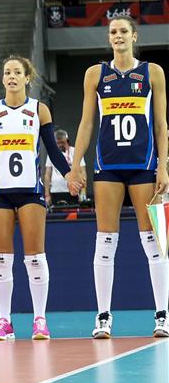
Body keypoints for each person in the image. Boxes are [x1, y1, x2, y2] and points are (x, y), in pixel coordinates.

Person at [69, 17, 169, 338]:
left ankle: (163, 315)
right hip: (108, 166)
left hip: (144, 165)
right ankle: (103, 316)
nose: (118, 36)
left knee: (153, 242)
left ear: (134, 36)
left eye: (124, 31)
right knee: (105, 240)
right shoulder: (95, 74)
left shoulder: (152, 72)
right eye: (113, 32)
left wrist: (163, 166)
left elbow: (161, 125)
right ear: (108, 38)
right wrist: (75, 164)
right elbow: (86, 123)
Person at [0, 56, 79, 341]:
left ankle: (39, 319)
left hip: (30, 192)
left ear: (27, 78)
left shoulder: (39, 110)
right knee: (1, 258)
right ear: (2, 78)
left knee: (35, 257)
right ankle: (4, 321)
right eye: (7, 72)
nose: (12, 76)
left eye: (17, 72)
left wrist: (68, 174)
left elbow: (52, 149)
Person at [44, 128, 83, 206]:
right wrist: (47, 194)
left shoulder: (75, 151)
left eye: (62, 142)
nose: (60, 145)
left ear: (67, 141)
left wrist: (83, 191)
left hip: (72, 189)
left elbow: (82, 171)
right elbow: (47, 174)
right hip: (56, 190)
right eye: (58, 143)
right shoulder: (52, 155)